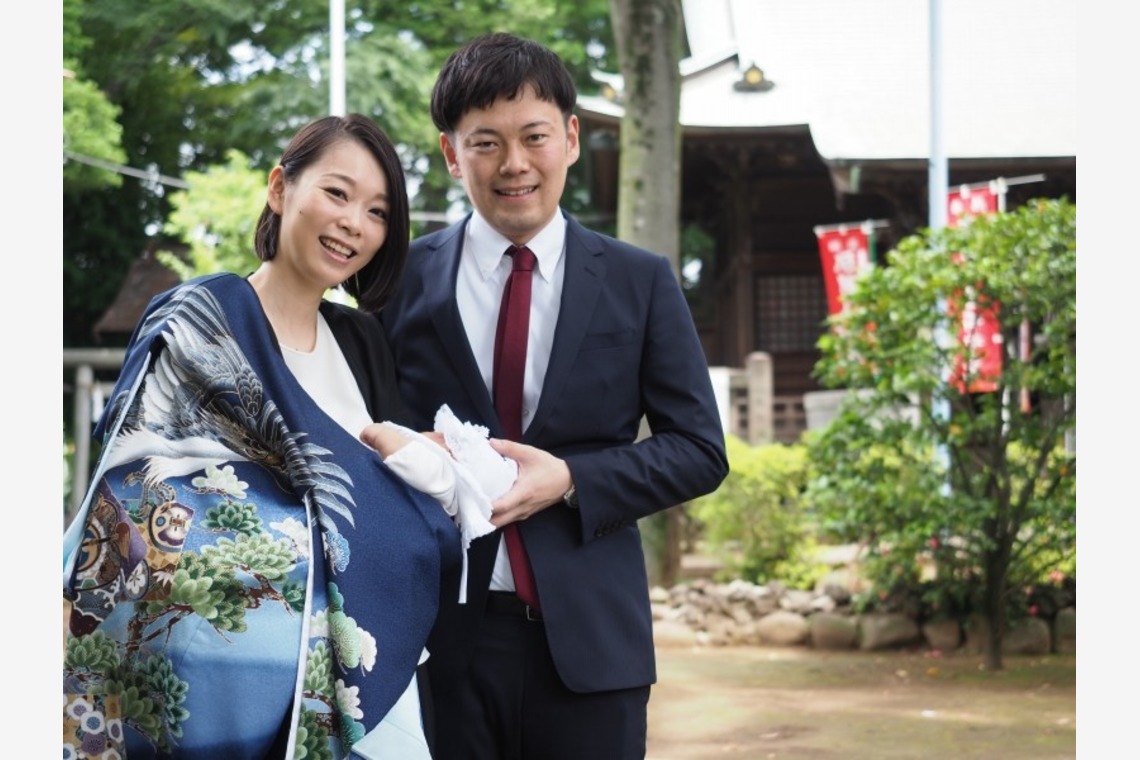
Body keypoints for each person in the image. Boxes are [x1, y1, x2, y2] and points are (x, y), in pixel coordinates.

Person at [62, 114, 464, 759]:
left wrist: (427, 468)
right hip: (206, 671)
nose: (353, 223)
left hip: (353, 670)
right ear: (280, 189)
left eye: (378, 211)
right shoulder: (200, 319)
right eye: (337, 193)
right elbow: (136, 483)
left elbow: (386, 492)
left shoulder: (362, 342)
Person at [379, 32, 730, 760]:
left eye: (534, 136)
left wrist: (572, 478)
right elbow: (364, 433)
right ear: (451, 154)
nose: (514, 164)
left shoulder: (640, 281)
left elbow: (699, 451)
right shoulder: (399, 281)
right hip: (435, 646)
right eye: (486, 143)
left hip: (592, 646)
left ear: (569, 138)